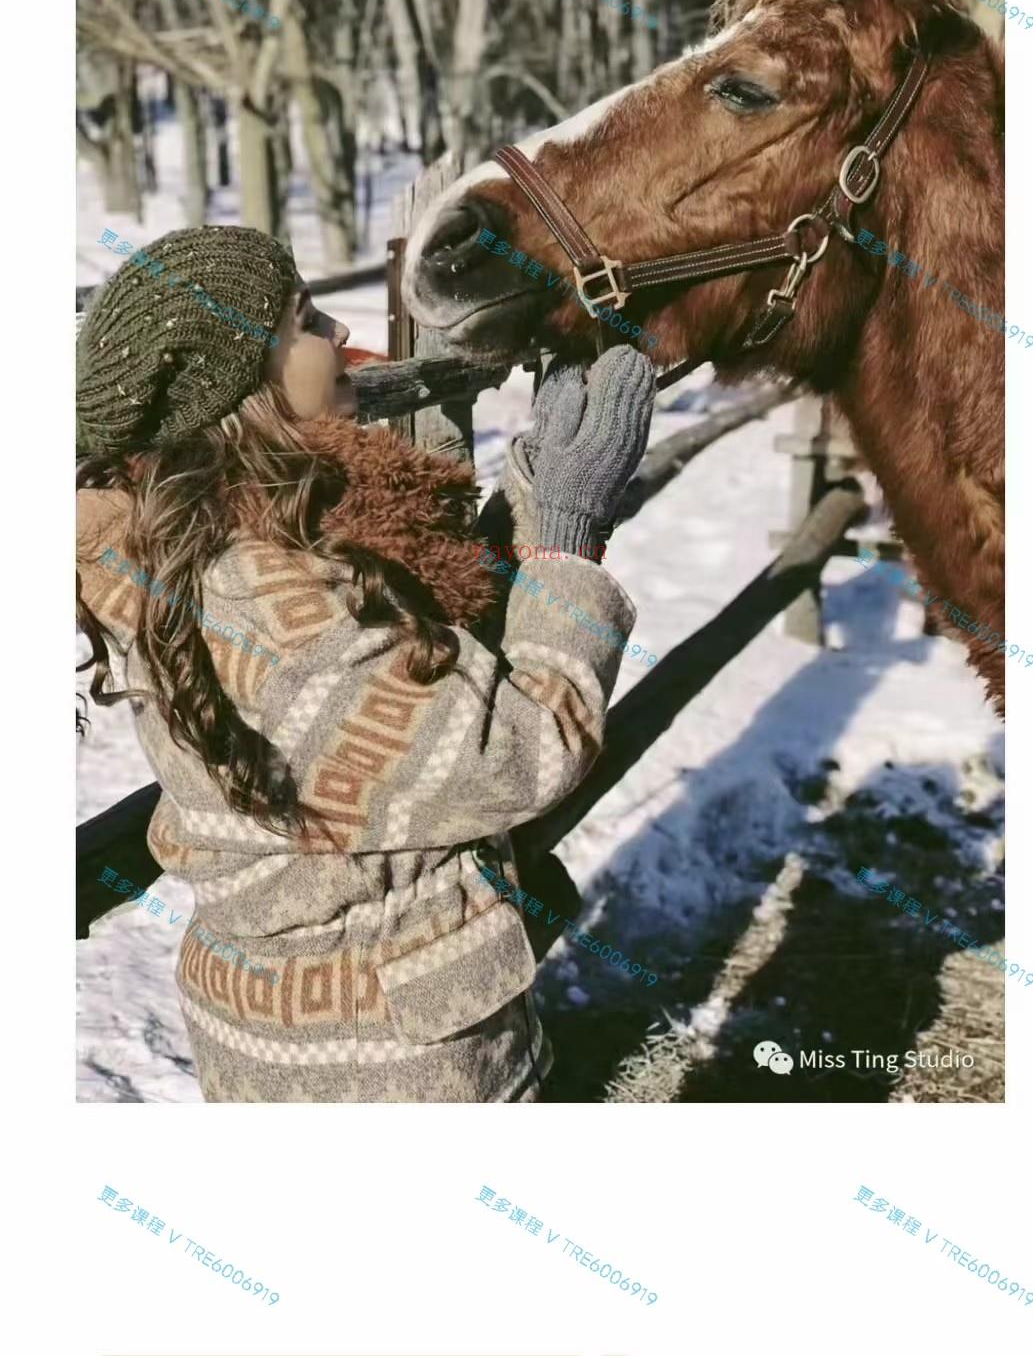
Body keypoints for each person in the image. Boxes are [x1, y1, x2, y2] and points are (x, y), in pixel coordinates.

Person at [76, 225, 656, 1104]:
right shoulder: (266, 602)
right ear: (237, 386)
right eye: (305, 321)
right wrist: (569, 531)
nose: (341, 336)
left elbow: (408, 679)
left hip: (315, 1041)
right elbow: (516, 752)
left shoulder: (228, 538)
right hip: (387, 1067)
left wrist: (534, 490)